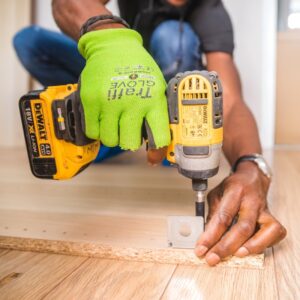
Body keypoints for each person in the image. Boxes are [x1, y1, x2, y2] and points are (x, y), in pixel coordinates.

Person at [13, 0, 286, 266]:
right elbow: (67, 3)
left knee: (173, 37)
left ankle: (153, 134)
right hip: (120, 75)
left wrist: (251, 166)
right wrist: (111, 40)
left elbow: (230, 101)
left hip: (165, 100)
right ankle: (114, 125)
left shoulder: (211, 10)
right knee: (31, 41)